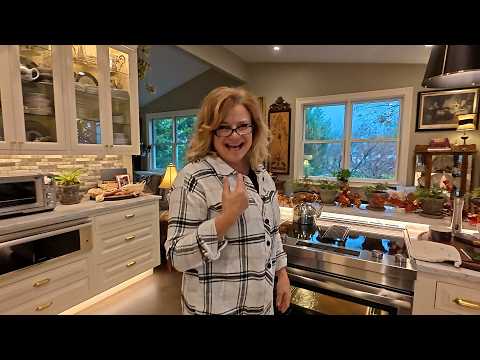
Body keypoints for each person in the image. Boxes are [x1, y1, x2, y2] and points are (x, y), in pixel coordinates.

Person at [164, 86, 291, 315]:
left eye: (243, 126)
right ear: (210, 132)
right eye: (224, 128)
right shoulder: (193, 178)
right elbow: (176, 257)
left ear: (254, 129)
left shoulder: (263, 176)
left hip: (261, 307)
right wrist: (227, 218)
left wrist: (282, 274)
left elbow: (272, 234)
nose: (235, 135)